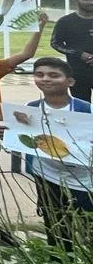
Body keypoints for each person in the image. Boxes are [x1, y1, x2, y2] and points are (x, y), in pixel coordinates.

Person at [23, 57, 92, 250]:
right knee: (55, 222)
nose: (46, 79)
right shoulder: (31, 108)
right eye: (39, 74)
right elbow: (24, 139)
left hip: (82, 178)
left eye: (54, 75)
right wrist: (9, 132)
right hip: (46, 175)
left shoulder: (85, 110)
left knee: (88, 221)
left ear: (70, 81)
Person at [50, 0, 93, 103]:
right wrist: (79, 54)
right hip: (77, 71)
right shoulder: (66, 22)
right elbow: (55, 43)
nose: (91, 2)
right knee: (81, 104)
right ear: (76, 0)